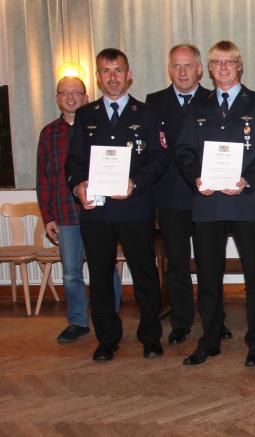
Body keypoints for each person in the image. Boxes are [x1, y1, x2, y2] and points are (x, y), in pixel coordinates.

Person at [175, 40, 255, 367]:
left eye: (229, 62)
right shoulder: (197, 106)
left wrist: (247, 179)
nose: (223, 67)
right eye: (217, 62)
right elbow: (183, 151)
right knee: (208, 277)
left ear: (239, 66)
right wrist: (196, 178)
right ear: (208, 67)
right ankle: (209, 340)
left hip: (247, 201)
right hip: (208, 205)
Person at [66, 48, 168, 362]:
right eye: (106, 71)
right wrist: (77, 185)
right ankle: (107, 338)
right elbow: (74, 161)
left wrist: (135, 182)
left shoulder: (147, 113)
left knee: (145, 275)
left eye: (118, 70)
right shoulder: (86, 115)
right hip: (96, 212)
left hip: (134, 208)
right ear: (98, 77)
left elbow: (159, 158)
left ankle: (150, 337)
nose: (113, 77)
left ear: (129, 74)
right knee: (99, 276)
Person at [146, 44, 234, 345]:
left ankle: (215, 321)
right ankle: (181, 321)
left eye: (188, 66)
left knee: (211, 264)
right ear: (170, 70)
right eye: (176, 66)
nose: (182, 72)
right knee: (178, 264)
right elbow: (155, 152)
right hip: (171, 198)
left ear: (200, 69)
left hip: (210, 196)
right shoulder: (154, 103)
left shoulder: (217, 99)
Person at [36, 76, 122, 344]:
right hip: (66, 215)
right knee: (71, 271)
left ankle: (111, 317)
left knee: (106, 268)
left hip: (100, 212)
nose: (71, 98)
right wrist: (47, 217)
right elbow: (44, 179)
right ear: (58, 98)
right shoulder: (49, 134)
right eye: (64, 93)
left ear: (86, 97)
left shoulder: (98, 126)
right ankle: (77, 321)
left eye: (76, 93)